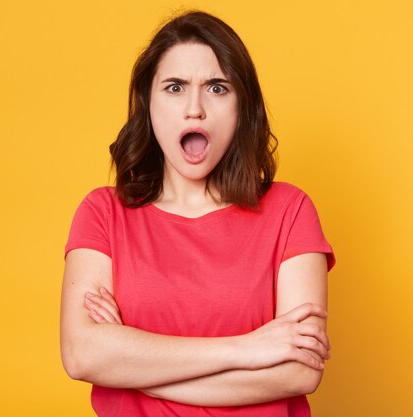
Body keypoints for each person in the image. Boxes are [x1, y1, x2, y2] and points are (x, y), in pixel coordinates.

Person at [61, 10, 335, 417]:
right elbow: (82, 355)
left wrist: (134, 365)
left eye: (217, 88)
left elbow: (298, 372)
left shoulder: (290, 210)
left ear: (243, 105)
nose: (195, 109)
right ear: (147, 103)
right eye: (174, 87)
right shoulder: (103, 214)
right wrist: (250, 347)